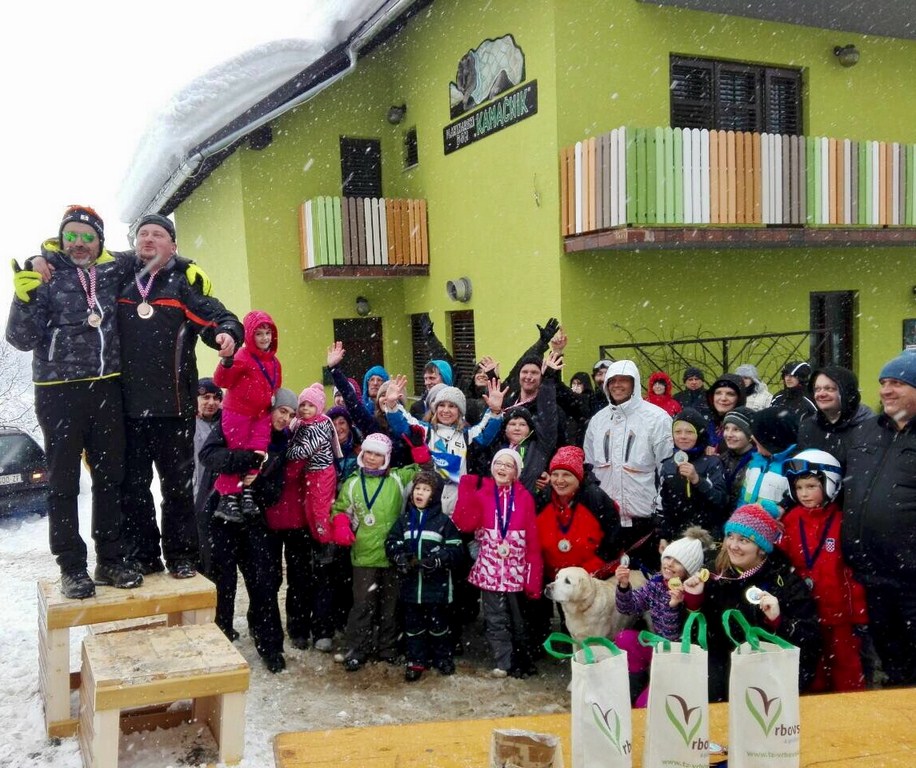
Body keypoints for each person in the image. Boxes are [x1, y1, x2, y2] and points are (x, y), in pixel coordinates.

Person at [6, 206, 142, 598]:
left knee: (111, 478)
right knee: (63, 482)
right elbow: (20, 340)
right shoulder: (45, 273)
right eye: (72, 236)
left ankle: (110, 559)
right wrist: (23, 298)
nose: (79, 244)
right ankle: (72, 567)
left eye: (87, 237)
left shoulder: (114, 268)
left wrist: (186, 265)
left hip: (106, 387)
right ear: (62, 238)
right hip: (58, 391)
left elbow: (152, 253)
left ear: (100, 241)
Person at [118, 213, 243, 579]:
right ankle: (144, 555)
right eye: (143, 234)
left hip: (173, 410)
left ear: (172, 246)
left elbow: (217, 316)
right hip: (127, 409)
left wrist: (227, 333)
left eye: (157, 234)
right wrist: (43, 259)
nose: (148, 239)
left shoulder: (182, 284)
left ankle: (182, 556)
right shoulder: (118, 280)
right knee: (134, 489)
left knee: (177, 489)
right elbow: (81, 260)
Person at [198, 391, 297, 673]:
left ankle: (270, 646)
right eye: (282, 411)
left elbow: (274, 491)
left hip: (254, 520)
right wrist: (246, 461)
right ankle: (220, 641)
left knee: (263, 584)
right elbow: (208, 455)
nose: (285, 418)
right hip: (220, 515)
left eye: (291, 415)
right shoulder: (235, 422)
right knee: (222, 583)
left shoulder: (281, 443)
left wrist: (257, 483)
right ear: (270, 408)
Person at [682, 504, 821, 701]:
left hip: (764, 679)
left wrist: (778, 621)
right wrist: (693, 601)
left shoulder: (785, 582)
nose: (733, 545)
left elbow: (810, 640)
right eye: (730, 536)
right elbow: (697, 637)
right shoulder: (713, 573)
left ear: (762, 549)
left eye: (743, 540)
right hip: (720, 676)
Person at [842, 349, 916, 687]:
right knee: (889, 660)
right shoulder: (866, 431)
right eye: (883, 382)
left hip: (912, 579)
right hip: (872, 576)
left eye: (897, 383)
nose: (886, 390)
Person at [329, 432, 431, 671]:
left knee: (390, 606)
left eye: (378, 454)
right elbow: (340, 509)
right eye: (369, 453)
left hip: (392, 554)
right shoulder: (353, 482)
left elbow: (426, 472)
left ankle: (388, 648)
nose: (372, 458)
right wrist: (341, 523)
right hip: (364, 554)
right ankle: (357, 649)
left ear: (386, 457)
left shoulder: (397, 478)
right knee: (362, 605)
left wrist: (420, 450)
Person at [779, 449, 867, 692]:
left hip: (839, 615)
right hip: (806, 613)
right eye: (799, 487)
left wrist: (859, 614)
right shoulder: (791, 519)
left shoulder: (842, 521)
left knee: (846, 671)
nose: (804, 493)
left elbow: (853, 571)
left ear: (830, 484)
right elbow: (781, 559)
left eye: (811, 486)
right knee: (813, 672)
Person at [452, 449, 543, 679]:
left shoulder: (524, 497)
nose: (502, 468)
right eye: (498, 464)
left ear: (516, 472)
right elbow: (464, 524)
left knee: (518, 619)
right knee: (495, 618)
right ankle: (504, 661)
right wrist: (466, 490)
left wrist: (533, 575)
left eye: (508, 465)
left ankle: (522, 660)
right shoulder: (483, 494)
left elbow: (533, 540)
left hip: (516, 570)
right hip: (490, 569)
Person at [583, 359, 674, 566]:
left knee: (643, 578)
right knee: (607, 579)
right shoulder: (598, 421)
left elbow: (667, 471)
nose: (617, 385)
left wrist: (661, 514)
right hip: (606, 519)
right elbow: (589, 467)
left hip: (644, 519)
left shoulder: (657, 418)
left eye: (623, 380)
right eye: (612, 380)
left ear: (634, 383)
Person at [615, 527, 712, 706]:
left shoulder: (691, 592)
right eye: (668, 557)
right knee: (625, 638)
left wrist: (672, 606)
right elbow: (628, 608)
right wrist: (623, 586)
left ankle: (659, 689)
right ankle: (635, 686)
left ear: (689, 570)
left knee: (644, 707)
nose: (669, 564)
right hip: (661, 649)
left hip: (681, 658)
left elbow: (673, 638)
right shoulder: (657, 583)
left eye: (678, 562)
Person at [383, 375, 507, 515]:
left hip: (457, 502)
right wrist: (392, 405)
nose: (446, 410)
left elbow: (486, 432)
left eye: (452, 406)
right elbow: (402, 423)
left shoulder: (468, 435)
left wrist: (495, 411)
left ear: (460, 411)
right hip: (428, 501)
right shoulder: (425, 430)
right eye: (441, 405)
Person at [385, 471, 464, 681]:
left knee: (439, 626)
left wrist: (438, 559)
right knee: (413, 627)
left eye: (426, 490)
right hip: (411, 587)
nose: (420, 493)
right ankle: (416, 660)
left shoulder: (443, 521)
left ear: (434, 494)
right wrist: (400, 557)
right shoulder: (403, 520)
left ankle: (442, 658)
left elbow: (456, 548)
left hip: (436, 587)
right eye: (417, 489)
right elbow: (391, 542)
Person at [211, 310, 282, 522]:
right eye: (259, 334)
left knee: (257, 451)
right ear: (250, 336)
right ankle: (228, 496)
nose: (264, 338)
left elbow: (276, 385)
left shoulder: (275, 362)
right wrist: (226, 361)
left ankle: (247, 491)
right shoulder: (242, 356)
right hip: (238, 412)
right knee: (236, 452)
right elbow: (221, 381)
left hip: (261, 414)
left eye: (267, 333)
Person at [657, 409, 729, 545]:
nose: (683, 436)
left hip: (706, 537)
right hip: (676, 537)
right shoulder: (668, 464)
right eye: (678, 432)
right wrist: (663, 536)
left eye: (689, 432)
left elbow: (721, 500)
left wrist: (697, 480)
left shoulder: (712, 462)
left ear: (699, 434)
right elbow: (663, 504)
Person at [796, 366, 872, 469]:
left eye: (829, 389)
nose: (821, 394)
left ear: (847, 393)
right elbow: (801, 467)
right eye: (817, 389)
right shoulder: (808, 427)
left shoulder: (869, 428)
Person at [739, 406, 799, 517]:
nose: (757, 450)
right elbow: (744, 495)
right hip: (747, 521)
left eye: (758, 444)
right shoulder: (756, 462)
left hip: (774, 523)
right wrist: (739, 516)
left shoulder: (794, 467)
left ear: (771, 442)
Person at [193, 377, 223, 575]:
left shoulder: (225, 423)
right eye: (205, 397)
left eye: (216, 397)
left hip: (220, 497)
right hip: (195, 496)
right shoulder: (188, 424)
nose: (211, 402)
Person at [718, 406, 757, 510]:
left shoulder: (756, 463)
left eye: (736, 429)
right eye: (726, 428)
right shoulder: (721, 458)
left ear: (750, 435)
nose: (729, 434)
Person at [704, 373, 747, 454]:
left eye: (730, 394)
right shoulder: (707, 423)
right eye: (718, 393)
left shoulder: (745, 426)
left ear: (739, 398)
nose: (723, 398)